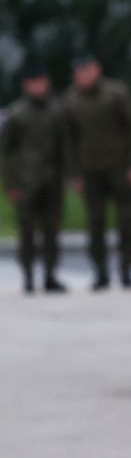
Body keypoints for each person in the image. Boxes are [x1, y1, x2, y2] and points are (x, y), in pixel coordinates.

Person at [63, 54, 131, 290]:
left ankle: (127, 269)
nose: (84, 76)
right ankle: (100, 272)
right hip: (90, 170)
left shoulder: (115, 93)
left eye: (87, 70)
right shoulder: (72, 100)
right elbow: (68, 140)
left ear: (97, 69)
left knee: (127, 221)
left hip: (119, 167)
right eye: (80, 71)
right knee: (95, 223)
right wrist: (74, 174)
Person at [0, 62, 69, 294]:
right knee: (27, 232)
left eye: (42, 82)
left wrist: (68, 175)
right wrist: (11, 184)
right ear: (27, 85)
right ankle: (28, 276)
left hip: (53, 180)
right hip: (27, 181)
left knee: (52, 230)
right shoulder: (17, 114)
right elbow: (7, 153)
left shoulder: (57, 111)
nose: (39, 87)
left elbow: (65, 147)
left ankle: (50, 275)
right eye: (34, 83)